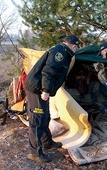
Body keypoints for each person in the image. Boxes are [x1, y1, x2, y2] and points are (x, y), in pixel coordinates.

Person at [25, 35, 80, 163]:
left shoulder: (62, 51)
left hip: (41, 87)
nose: (75, 49)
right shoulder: (60, 53)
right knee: (37, 120)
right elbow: (48, 71)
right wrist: (45, 90)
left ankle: (46, 142)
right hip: (37, 88)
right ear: (73, 45)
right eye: (76, 47)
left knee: (45, 116)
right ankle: (35, 153)